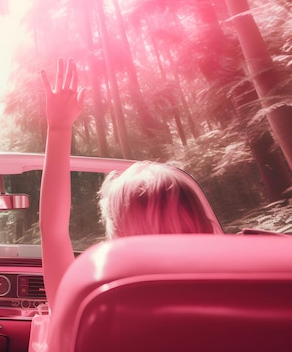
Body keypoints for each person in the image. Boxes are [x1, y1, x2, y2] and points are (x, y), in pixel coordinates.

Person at [30, 57, 222, 352]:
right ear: (207, 228)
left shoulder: (94, 306)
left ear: (117, 237)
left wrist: (58, 129)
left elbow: (52, 230)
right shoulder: (238, 298)